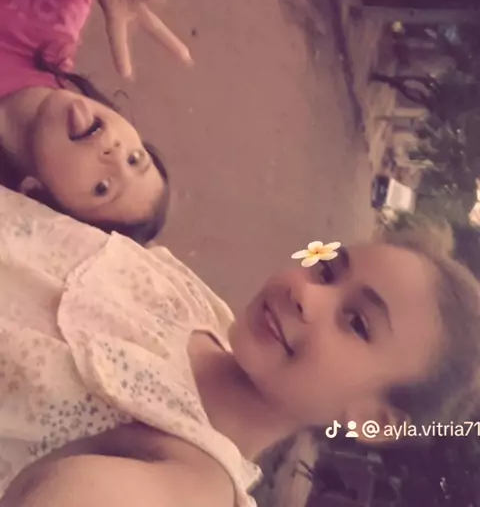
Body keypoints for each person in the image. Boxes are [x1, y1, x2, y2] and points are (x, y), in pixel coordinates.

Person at [0, 187, 479, 507]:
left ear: (376, 419)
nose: (306, 292)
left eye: (356, 323)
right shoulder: (197, 305)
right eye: (327, 270)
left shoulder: (187, 479)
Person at [0, 0, 191, 244]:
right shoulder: (51, 24)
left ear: (37, 197)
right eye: (136, 159)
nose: (115, 154)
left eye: (103, 188)